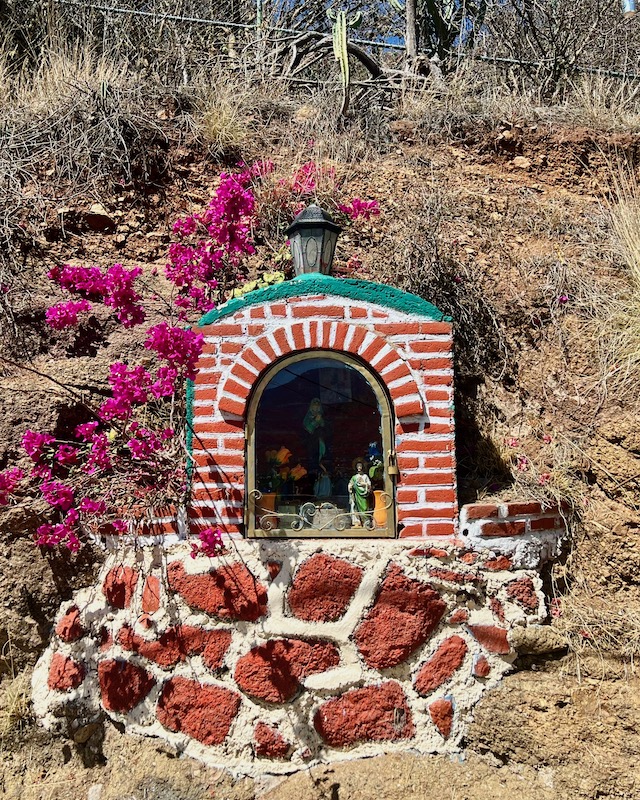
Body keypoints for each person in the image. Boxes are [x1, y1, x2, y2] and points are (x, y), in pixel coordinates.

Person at [303, 397, 326, 466]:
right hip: (311, 440)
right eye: (314, 405)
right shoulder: (307, 417)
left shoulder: (322, 416)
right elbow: (308, 429)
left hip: (320, 440)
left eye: (317, 405)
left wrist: (320, 421)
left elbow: (324, 426)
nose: (316, 407)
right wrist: (315, 421)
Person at [348, 458, 371, 527]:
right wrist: (350, 487)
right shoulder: (354, 477)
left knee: (364, 508)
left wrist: (364, 484)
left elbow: (369, 485)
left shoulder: (365, 476)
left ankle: (366, 522)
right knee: (355, 507)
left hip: (363, 495)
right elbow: (350, 484)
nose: (359, 468)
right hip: (356, 495)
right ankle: (357, 521)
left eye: (360, 466)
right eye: (358, 466)